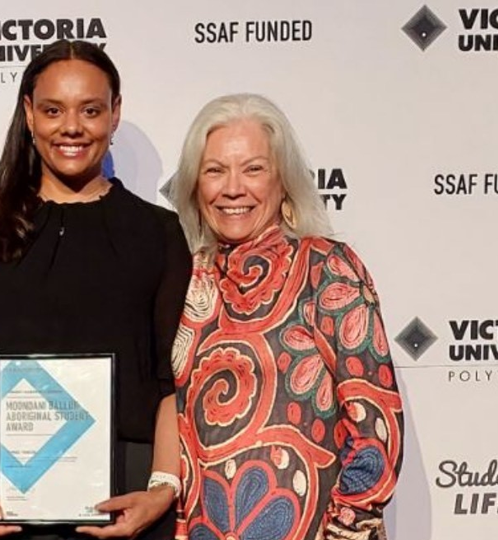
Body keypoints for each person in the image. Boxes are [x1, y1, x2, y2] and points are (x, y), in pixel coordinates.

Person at [0, 39, 191, 540]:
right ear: (29, 115)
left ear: (115, 114)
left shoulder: (158, 235)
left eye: (91, 110)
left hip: (132, 509)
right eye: (53, 110)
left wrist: (162, 489)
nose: (71, 127)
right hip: (11, 508)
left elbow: (175, 378)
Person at [168, 93, 403, 540]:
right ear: (195, 185)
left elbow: (376, 424)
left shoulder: (325, 268)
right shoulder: (185, 278)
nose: (233, 188)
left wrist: (345, 529)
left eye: (253, 169)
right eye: (215, 170)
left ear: (284, 181)